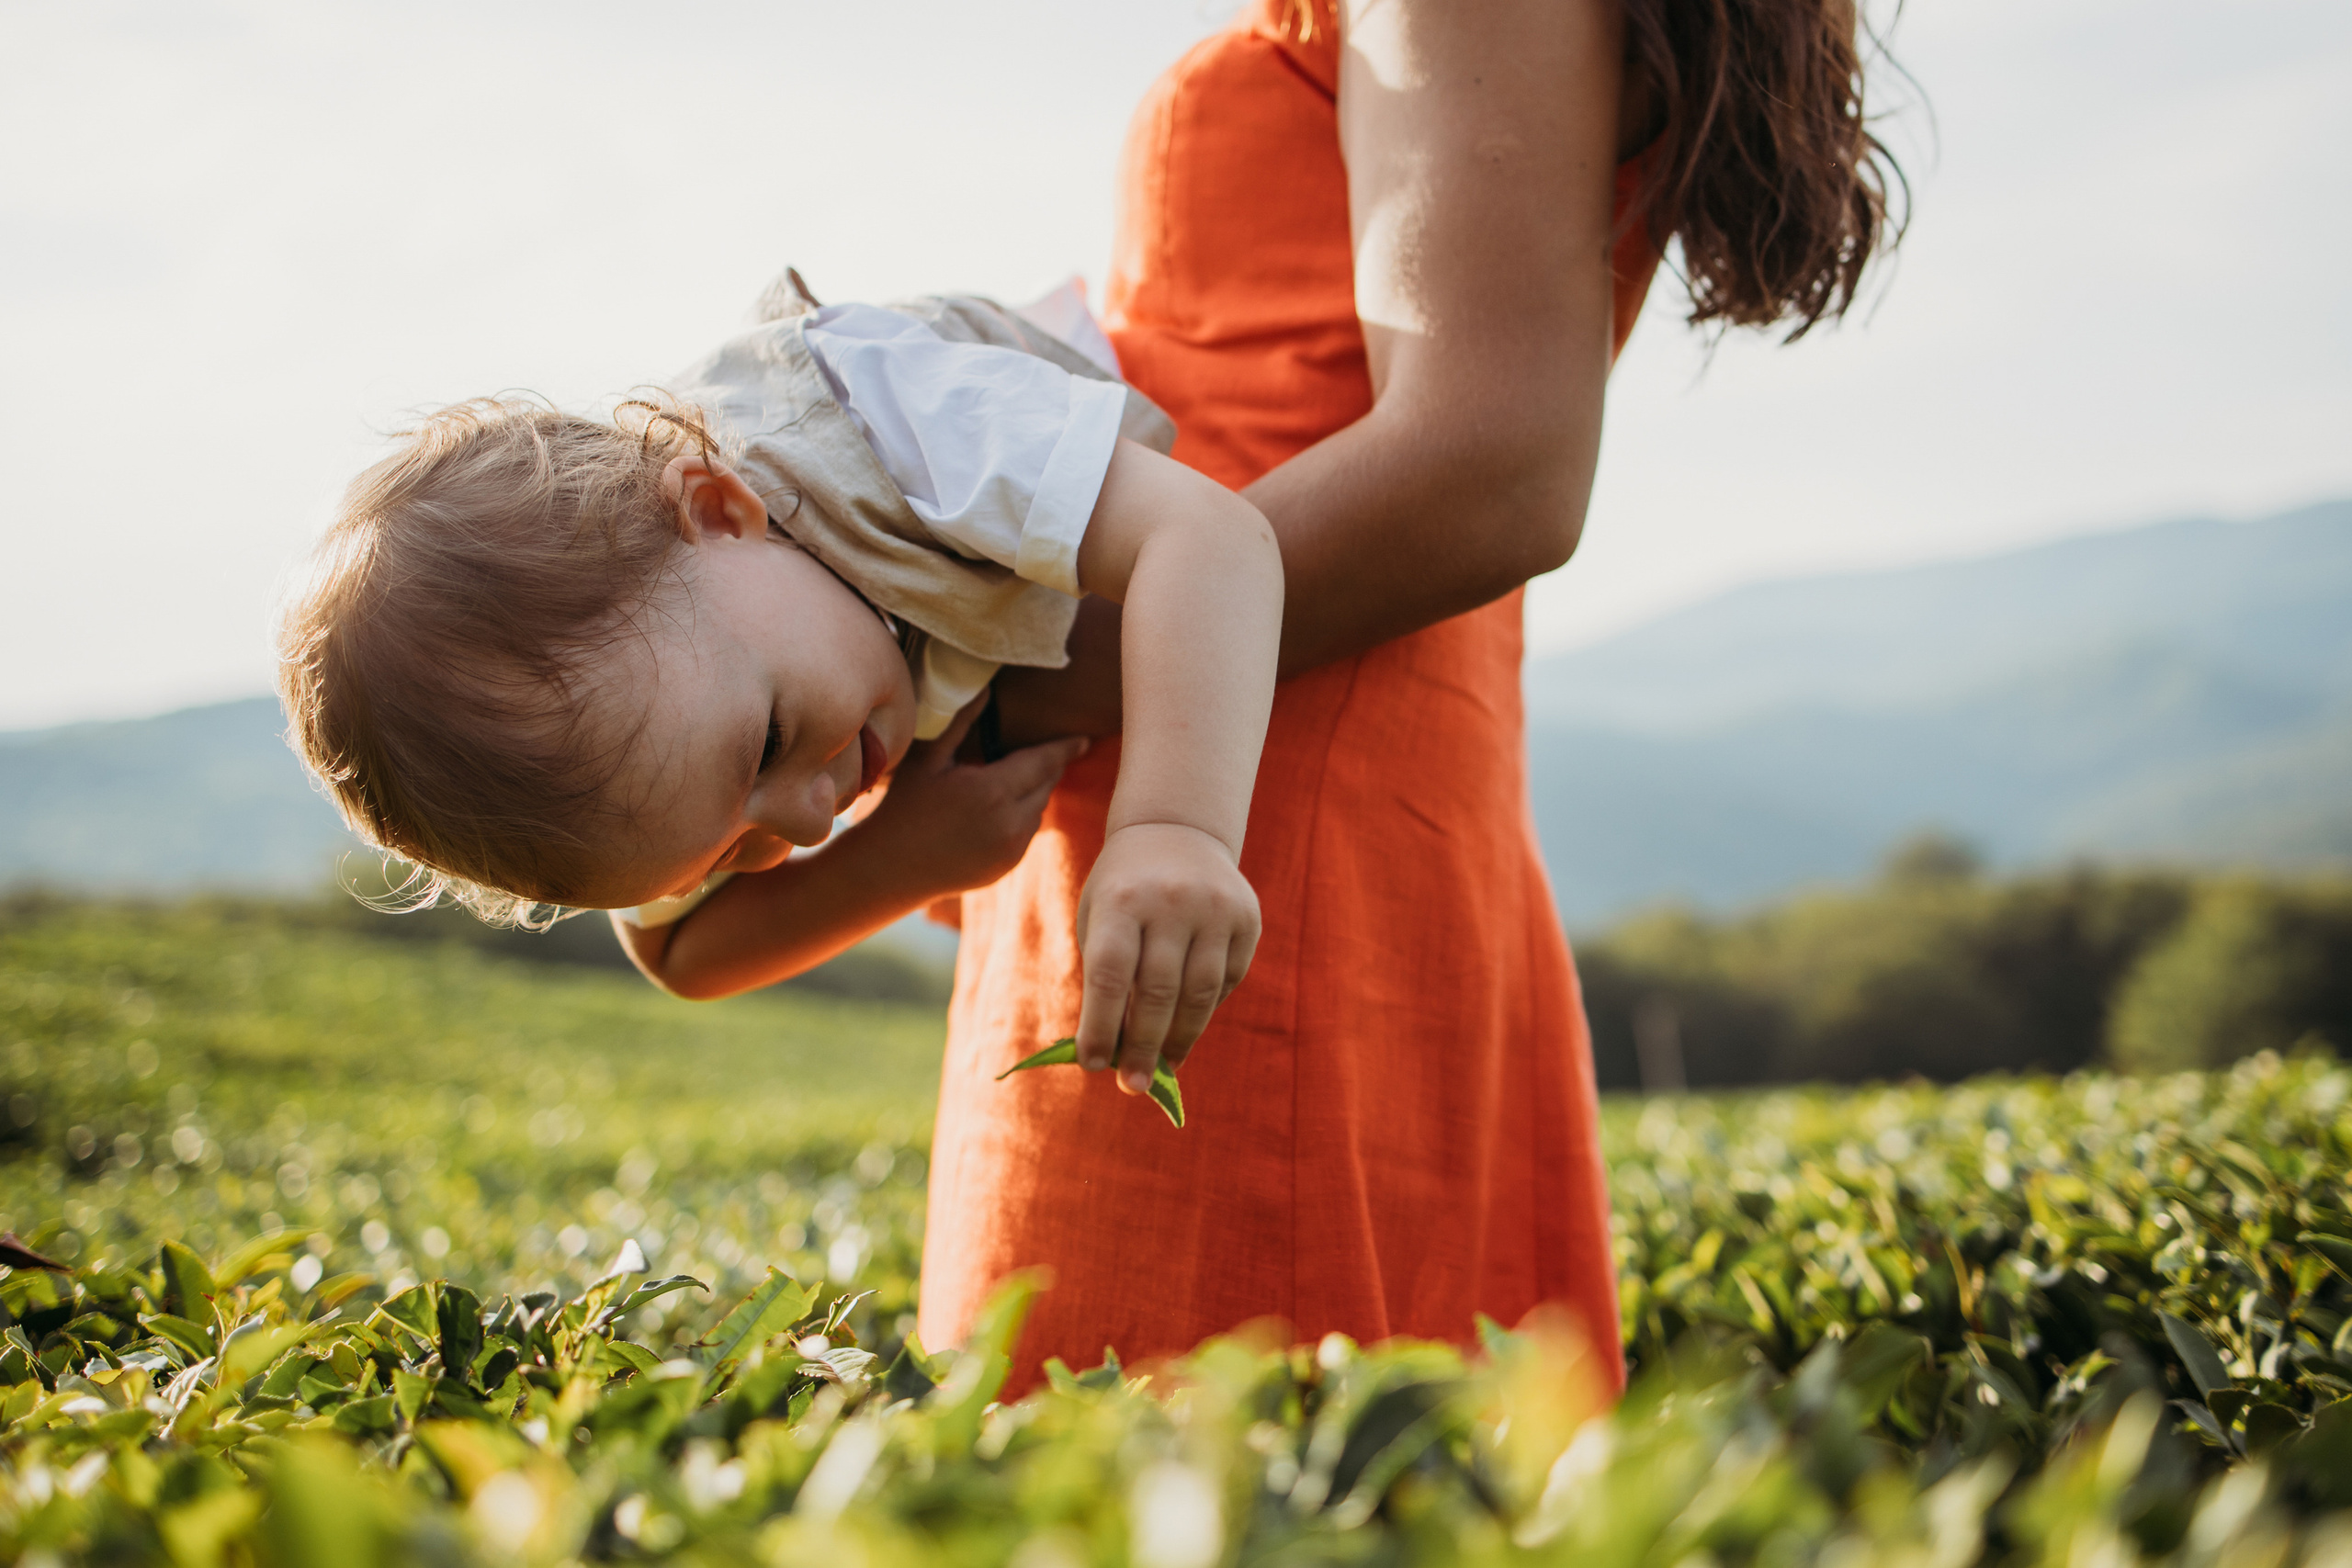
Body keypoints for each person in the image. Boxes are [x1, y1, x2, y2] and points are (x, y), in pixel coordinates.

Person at [920, 0, 1904, 1393]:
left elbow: (1489, 460)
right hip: (1202, 766)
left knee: (1185, 1440)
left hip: (1243, 805)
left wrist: (1010, 701)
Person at [277, 287, 1282, 1066]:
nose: (803, 828)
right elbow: (677, 954)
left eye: (766, 746)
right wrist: (893, 862)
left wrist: (1173, 829)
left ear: (720, 510)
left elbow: (1211, 539)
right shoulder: (658, 722)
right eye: (725, 858)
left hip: (1176, 434)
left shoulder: (891, 423)